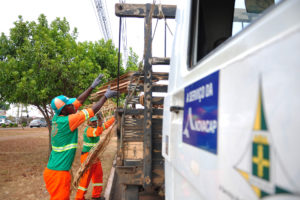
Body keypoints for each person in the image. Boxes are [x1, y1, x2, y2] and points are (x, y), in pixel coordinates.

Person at [43, 74, 117, 200]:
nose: (74, 106)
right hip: (59, 174)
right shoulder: (69, 121)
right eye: (70, 105)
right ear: (65, 110)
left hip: (54, 171)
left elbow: (79, 101)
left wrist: (92, 87)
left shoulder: (58, 116)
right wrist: (105, 96)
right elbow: (93, 110)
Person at [75, 113, 115, 200]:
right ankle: (79, 198)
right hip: (87, 157)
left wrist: (114, 117)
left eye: (95, 121)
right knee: (86, 178)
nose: (94, 123)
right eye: (93, 121)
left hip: (95, 157)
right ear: (89, 122)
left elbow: (106, 125)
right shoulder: (88, 130)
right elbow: (97, 133)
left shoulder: (97, 127)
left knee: (98, 175)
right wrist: (100, 121)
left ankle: (96, 196)